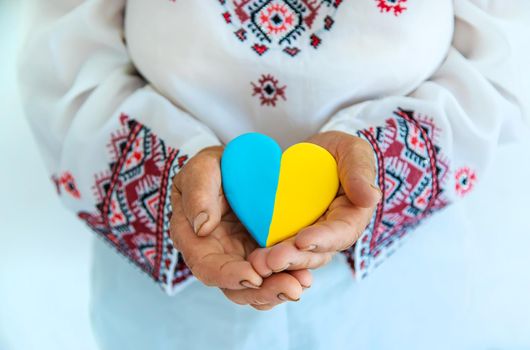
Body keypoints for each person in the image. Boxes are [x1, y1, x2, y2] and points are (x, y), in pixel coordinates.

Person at [18, 0, 529, 349]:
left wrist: (375, 164)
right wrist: (177, 178)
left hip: (396, 294)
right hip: (172, 304)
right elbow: (60, 62)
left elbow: (506, 54)